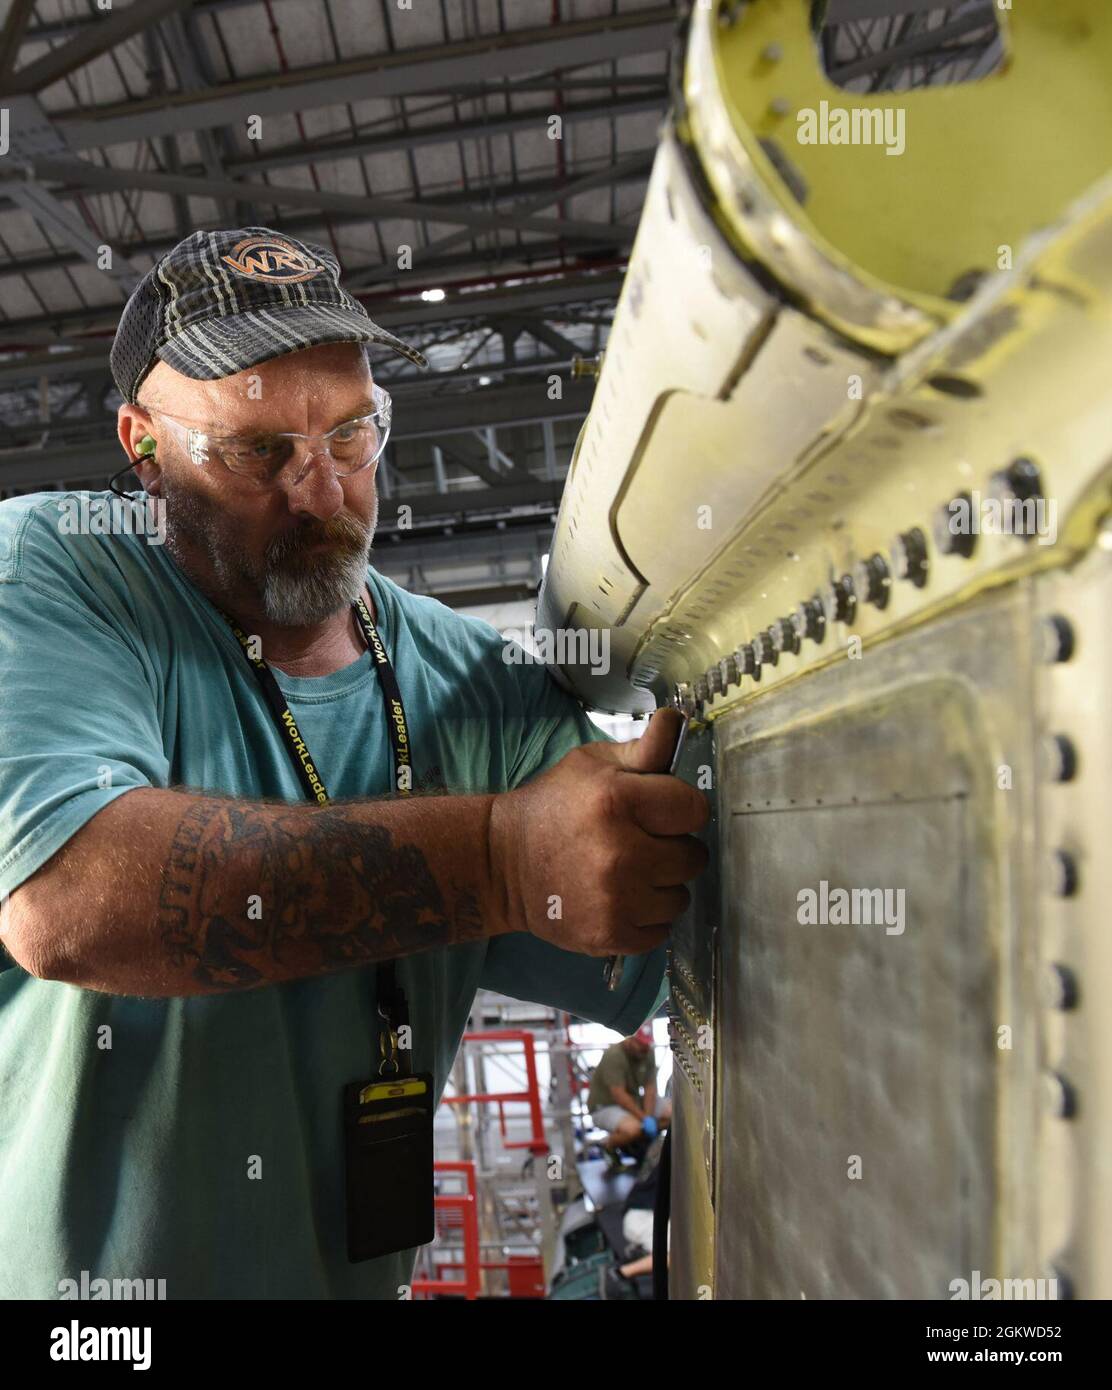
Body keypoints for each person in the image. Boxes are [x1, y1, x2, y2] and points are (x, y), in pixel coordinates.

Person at [0, 226, 710, 1299]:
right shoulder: (57, 574)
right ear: (142, 444)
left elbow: (681, 927)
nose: (323, 493)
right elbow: (69, 900)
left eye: (352, 434)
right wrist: (500, 858)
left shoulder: (475, 687)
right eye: (257, 453)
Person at [587, 1027, 671, 1166]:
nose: (644, 1050)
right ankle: (609, 1145)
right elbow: (619, 1095)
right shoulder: (614, 1055)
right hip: (605, 1105)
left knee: (673, 1114)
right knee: (634, 1128)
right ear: (630, 1039)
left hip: (633, 1101)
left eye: (646, 1046)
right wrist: (644, 1119)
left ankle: (637, 1143)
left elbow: (650, 1089)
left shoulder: (647, 1052)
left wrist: (649, 1117)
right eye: (641, 1045)